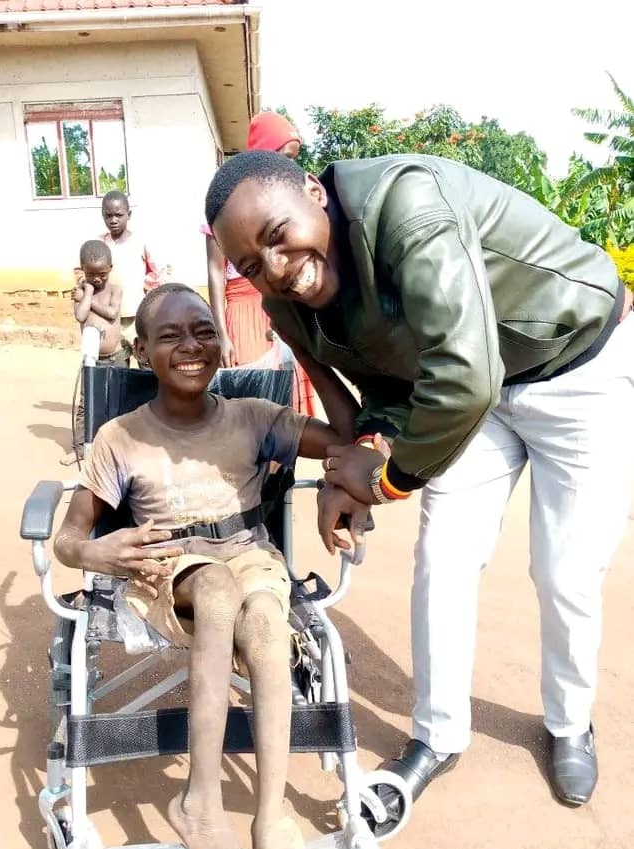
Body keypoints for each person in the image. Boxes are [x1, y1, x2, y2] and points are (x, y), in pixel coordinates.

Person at [204, 149, 634, 808]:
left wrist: (385, 481)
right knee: (442, 559)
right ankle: (436, 735)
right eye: (253, 266)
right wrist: (342, 477)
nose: (279, 269)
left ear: (314, 194)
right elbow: (353, 398)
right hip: (472, 394)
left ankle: (569, 724)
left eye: (277, 237)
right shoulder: (287, 304)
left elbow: (465, 372)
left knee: (564, 570)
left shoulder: (404, 206)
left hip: (577, 366)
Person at [53, 283, 360, 849]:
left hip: (251, 558)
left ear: (220, 341)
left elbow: (345, 439)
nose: (191, 345)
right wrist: (94, 554)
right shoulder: (121, 436)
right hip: (169, 571)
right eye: (170, 335)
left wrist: (309, 355)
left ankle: (271, 818)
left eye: (203, 331)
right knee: (218, 590)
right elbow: (68, 539)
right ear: (141, 352)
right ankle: (200, 801)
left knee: (269, 621)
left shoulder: (252, 416)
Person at [203, 112, 316, 416]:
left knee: (290, 398)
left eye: (295, 158)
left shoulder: (287, 199)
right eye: (286, 156)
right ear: (266, 154)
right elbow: (216, 272)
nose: (292, 166)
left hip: (282, 304)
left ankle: (286, 462)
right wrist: (221, 334)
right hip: (243, 312)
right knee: (256, 401)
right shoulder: (226, 203)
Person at [61, 240, 125, 466]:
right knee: (85, 406)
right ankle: (79, 448)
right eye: (91, 274)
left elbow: (111, 312)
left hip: (116, 358)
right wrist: (86, 292)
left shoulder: (115, 290)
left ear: (110, 269)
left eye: (102, 274)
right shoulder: (81, 292)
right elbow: (80, 316)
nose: (97, 279)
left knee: (116, 404)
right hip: (91, 360)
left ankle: (117, 450)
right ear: (82, 270)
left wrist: (88, 299)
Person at [99, 189, 165, 365]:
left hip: (138, 318)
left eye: (118, 215)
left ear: (129, 214)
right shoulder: (99, 245)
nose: (113, 220)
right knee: (118, 371)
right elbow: (83, 271)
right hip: (110, 320)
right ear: (102, 215)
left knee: (148, 366)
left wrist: (150, 301)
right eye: (108, 215)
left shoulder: (140, 242)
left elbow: (157, 273)